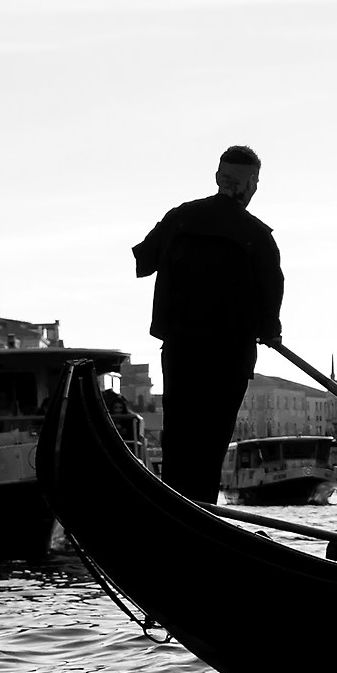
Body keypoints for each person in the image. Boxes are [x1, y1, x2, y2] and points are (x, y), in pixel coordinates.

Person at [134, 146, 283, 503]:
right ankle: (201, 511)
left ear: (219, 179)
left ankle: (174, 508)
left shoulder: (180, 218)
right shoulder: (258, 237)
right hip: (228, 358)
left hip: (181, 350)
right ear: (251, 185)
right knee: (211, 443)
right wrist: (270, 332)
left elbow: (144, 259)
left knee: (180, 439)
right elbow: (270, 302)